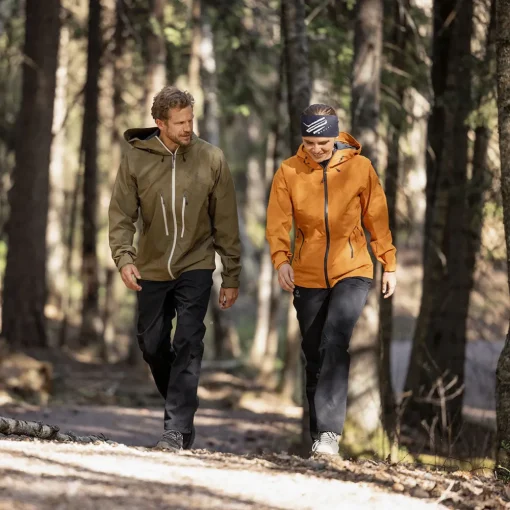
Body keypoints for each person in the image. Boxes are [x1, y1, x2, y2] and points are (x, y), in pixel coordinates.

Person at [109, 86, 241, 451]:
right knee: (151, 344)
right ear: (160, 123)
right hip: (151, 267)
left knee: (188, 340)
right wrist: (124, 258)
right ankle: (181, 405)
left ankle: (176, 428)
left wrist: (231, 275)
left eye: (190, 120)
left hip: (196, 264)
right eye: (180, 122)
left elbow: (226, 223)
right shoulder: (136, 159)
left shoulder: (211, 158)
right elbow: (121, 215)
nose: (187, 128)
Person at [266, 104, 397, 456]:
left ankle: (329, 434)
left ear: (336, 137)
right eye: (309, 143)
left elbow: (377, 217)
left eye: (323, 143)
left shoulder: (360, 167)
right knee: (314, 353)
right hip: (307, 275)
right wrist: (281, 261)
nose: (316, 149)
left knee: (335, 341)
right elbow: (278, 223)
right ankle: (318, 439)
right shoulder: (289, 171)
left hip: (353, 270)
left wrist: (389, 262)